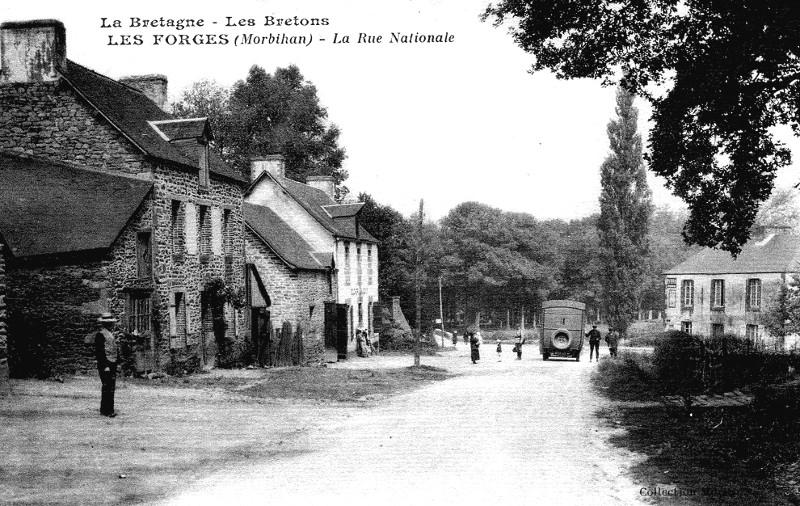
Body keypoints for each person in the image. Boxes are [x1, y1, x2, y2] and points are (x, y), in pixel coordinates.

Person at [95, 312, 119, 417]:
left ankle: (108, 409)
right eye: (109, 323)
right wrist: (105, 366)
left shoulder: (110, 334)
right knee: (107, 387)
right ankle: (106, 410)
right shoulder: (100, 335)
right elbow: (100, 352)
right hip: (106, 364)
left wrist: (117, 363)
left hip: (112, 363)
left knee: (111, 387)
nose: (111, 325)